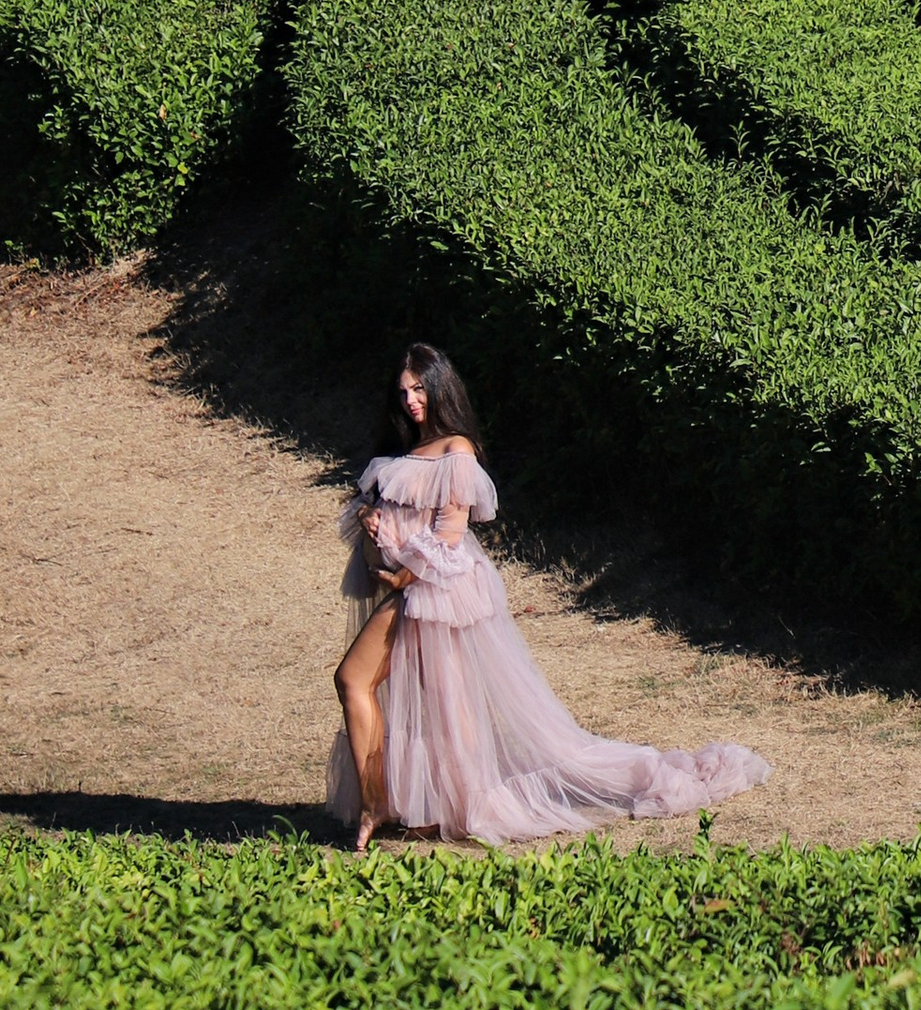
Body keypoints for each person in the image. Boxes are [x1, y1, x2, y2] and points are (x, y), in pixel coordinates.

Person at [330, 342, 770, 853]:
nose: (411, 401)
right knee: (370, 684)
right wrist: (370, 521)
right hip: (407, 587)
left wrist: (403, 576)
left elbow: (448, 535)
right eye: (404, 391)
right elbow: (371, 514)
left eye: (420, 389)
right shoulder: (401, 455)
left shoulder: (457, 451)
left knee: (443, 699)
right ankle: (380, 800)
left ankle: (441, 803)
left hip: (442, 590)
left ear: (440, 387)